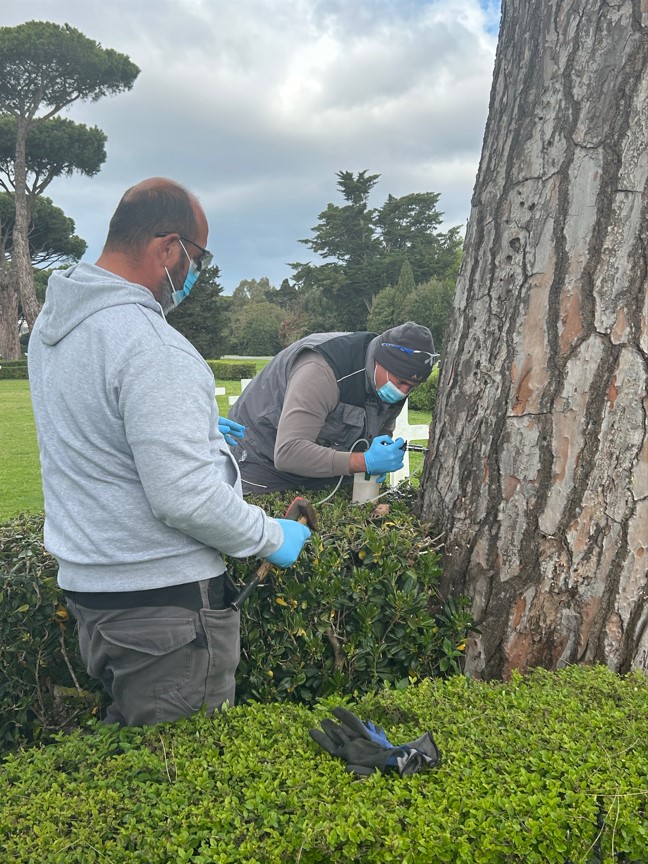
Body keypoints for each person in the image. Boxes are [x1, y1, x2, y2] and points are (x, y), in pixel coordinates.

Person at [27, 177, 310, 727]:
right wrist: (272, 537)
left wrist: (198, 435)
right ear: (167, 248)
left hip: (96, 595)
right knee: (182, 787)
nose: (197, 272)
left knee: (136, 774)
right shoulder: (152, 345)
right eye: (197, 257)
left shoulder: (53, 328)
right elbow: (184, 498)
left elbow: (103, 439)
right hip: (164, 610)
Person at [227, 322, 438, 493]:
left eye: (412, 387)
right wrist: (364, 462)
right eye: (400, 382)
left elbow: (377, 436)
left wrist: (376, 458)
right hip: (259, 460)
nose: (402, 392)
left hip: (321, 471)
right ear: (379, 361)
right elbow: (288, 452)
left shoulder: (389, 382)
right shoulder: (323, 370)